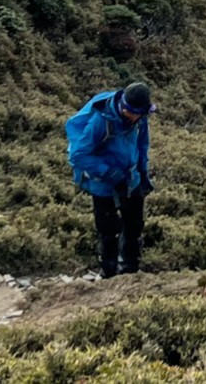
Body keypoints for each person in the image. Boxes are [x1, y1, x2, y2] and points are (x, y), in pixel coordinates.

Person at [65, 81, 156, 278]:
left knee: (134, 225)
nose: (133, 117)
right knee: (109, 230)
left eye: (138, 114)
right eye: (130, 112)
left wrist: (143, 175)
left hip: (131, 178)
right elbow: (78, 155)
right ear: (123, 106)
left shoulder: (140, 118)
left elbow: (142, 146)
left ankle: (131, 271)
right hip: (103, 184)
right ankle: (108, 273)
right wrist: (110, 173)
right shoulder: (101, 120)